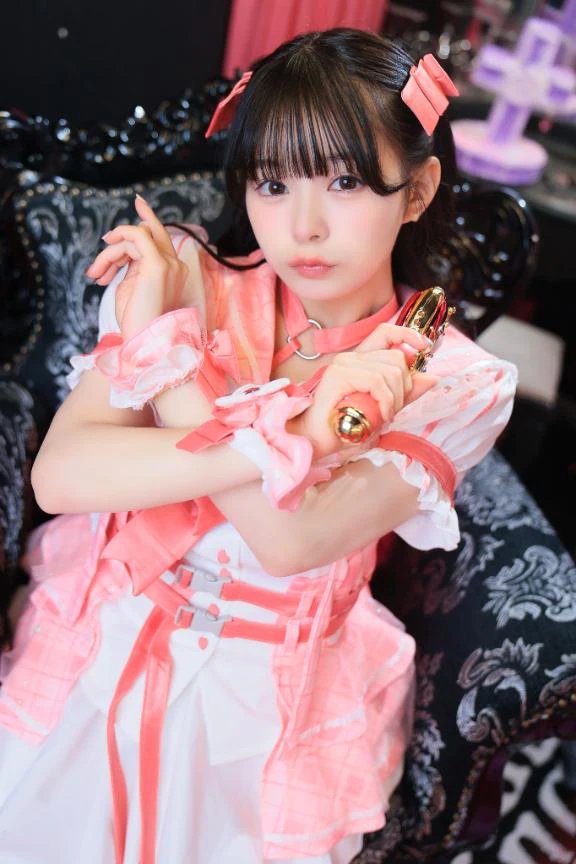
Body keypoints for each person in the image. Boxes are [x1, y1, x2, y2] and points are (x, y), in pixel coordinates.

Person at [0, 28, 516, 864]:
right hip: (104, 632)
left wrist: (172, 358)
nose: (303, 227)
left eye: (345, 181)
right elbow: (62, 476)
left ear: (416, 190)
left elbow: (289, 540)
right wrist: (300, 437)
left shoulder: (445, 376)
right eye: (273, 184)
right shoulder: (188, 275)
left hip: (272, 694)